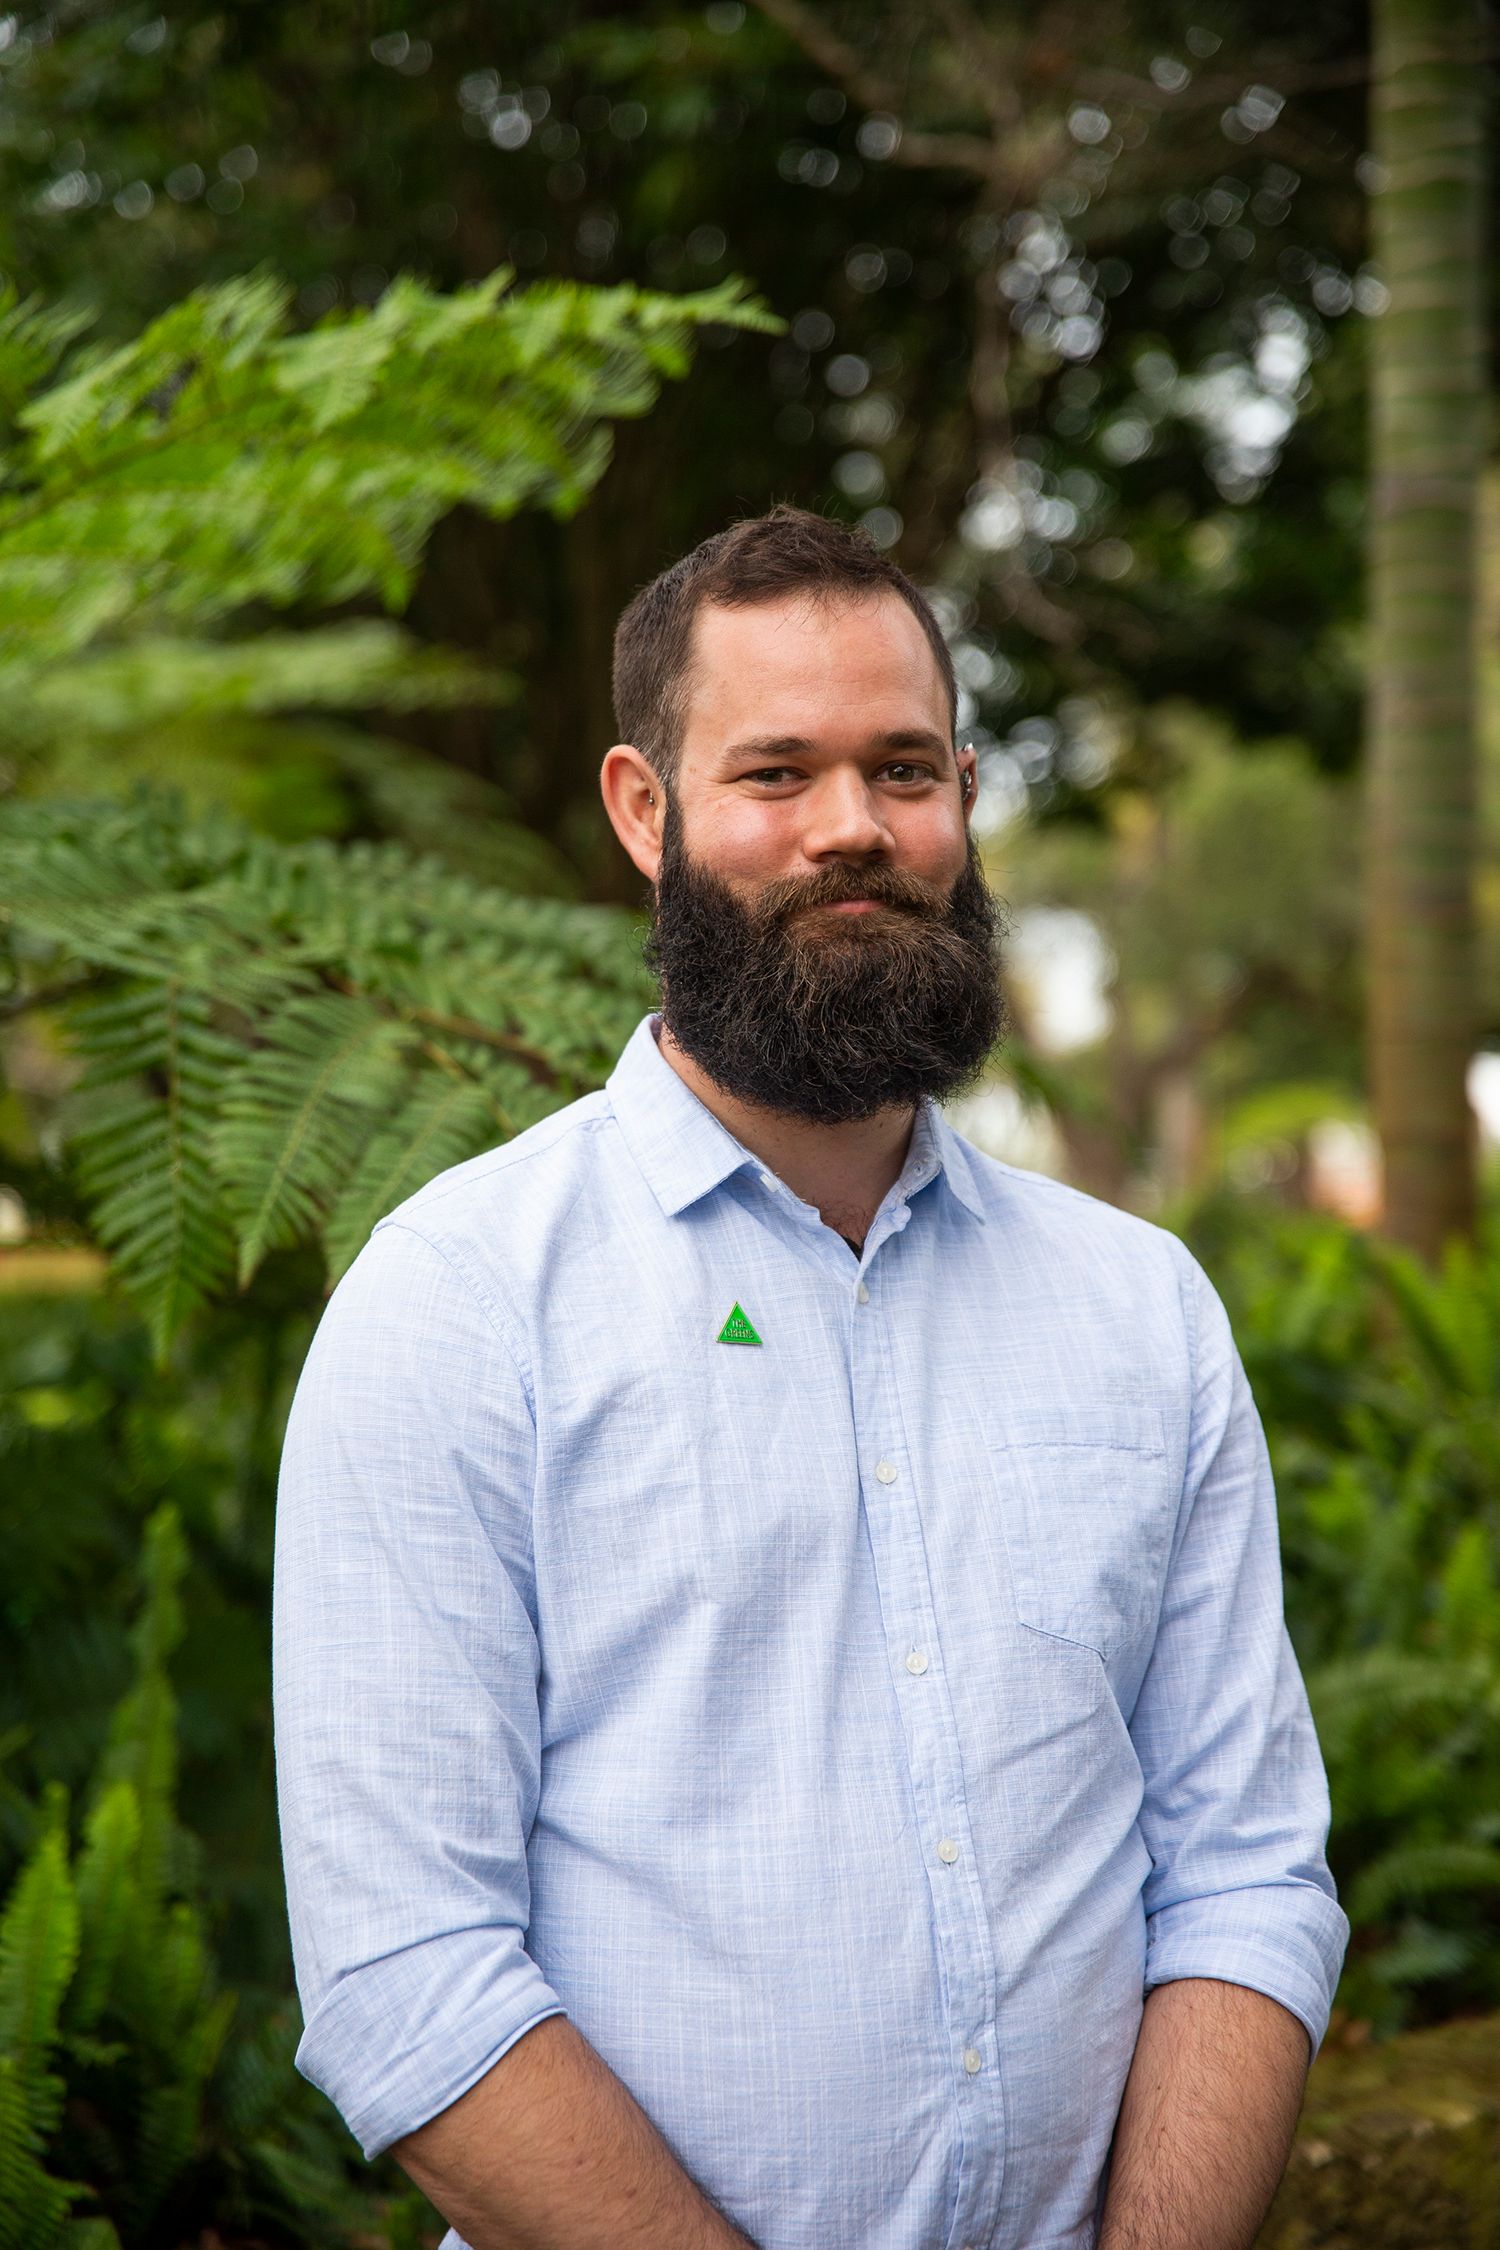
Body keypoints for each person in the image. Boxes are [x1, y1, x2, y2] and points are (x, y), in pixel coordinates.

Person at [273, 505, 1348, 2250]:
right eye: (776, 772)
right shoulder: (458, 1308)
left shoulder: (1140, 1309)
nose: (853, 825)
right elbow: (410, 1971)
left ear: (965, 799)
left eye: (902, 769)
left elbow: (1243, 1875)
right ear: (645, 811)